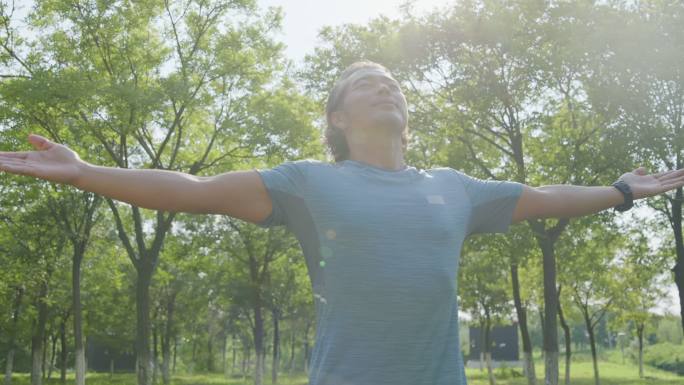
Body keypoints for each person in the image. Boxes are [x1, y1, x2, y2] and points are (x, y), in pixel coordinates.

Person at [1, 60, 683, 385]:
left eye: (393, 83)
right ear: (337, 116)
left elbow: (545, 194)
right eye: (366, 83)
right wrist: (87, 170)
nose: (385, 86)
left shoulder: (457, 189)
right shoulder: (309, 184)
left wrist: (620, 190)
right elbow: (194, 188)